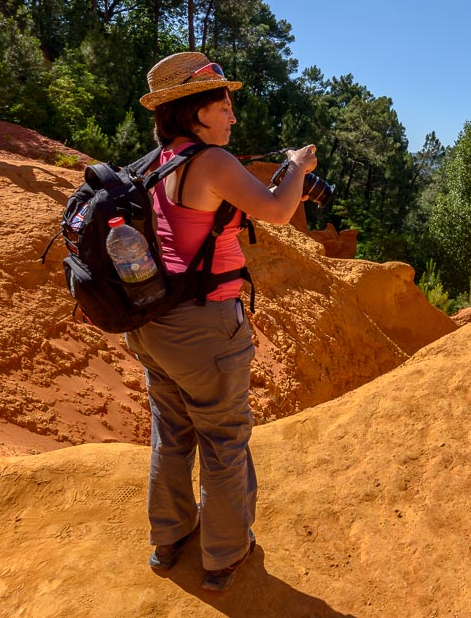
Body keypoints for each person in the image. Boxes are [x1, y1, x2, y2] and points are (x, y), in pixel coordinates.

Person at [126, 51, 317, 593]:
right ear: (194, 111)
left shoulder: (158, 160)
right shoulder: (211, 162)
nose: (233, 117)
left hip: (154, 323)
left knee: (172, 430)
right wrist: (299, 168)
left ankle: (169, 540)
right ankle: (224, 556)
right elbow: (279, 211)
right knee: (225, 440)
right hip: (204, 329)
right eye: (223, 105)